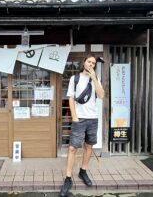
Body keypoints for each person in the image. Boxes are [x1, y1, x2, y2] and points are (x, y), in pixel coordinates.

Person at [60, 54, 105, 197]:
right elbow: (71, 99)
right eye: (89, 61)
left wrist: (94, 78)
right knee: (73, 148)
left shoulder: (96, 78)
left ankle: (83, 171)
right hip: (79, 119)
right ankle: (68, 178)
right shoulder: (75, 78)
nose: (91, 64)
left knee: (89, 146)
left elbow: (102, 95)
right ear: (84, 62)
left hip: (92, 118)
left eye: (93, 63)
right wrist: (74, 117)